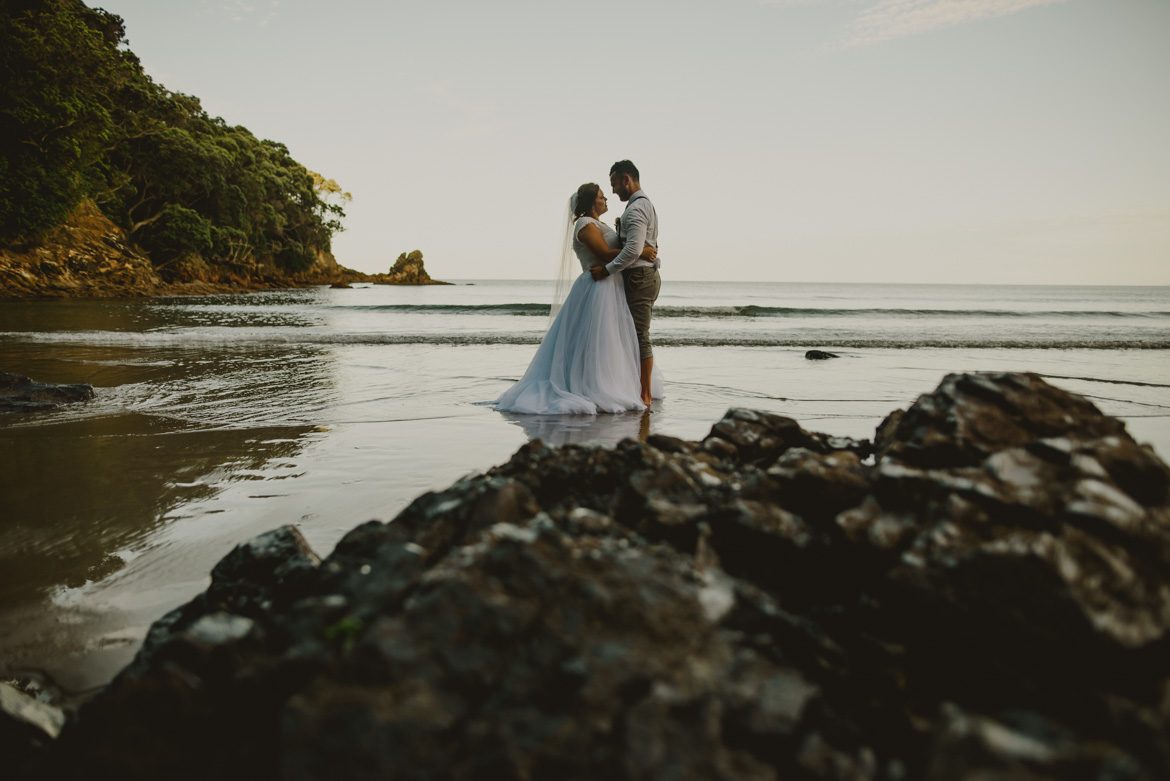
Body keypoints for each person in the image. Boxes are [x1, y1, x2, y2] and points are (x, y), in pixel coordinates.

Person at [494, 182, 660, 415]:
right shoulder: (584, 225)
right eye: (602, 197)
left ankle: (618, 383)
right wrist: (639, 250)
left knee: (611, 341)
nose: (606, 200)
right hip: (597, 286)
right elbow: (602, 253)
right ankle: (592, 386)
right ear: (592, 201)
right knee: (596, 340)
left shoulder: (600, 224)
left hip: (612, 285)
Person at [590, 160, 660, 406]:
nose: (613, 190)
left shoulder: (636, 209)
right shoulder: (640, 205)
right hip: (642, 276)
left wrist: (607, 271)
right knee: (633, 335)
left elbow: (633, 250)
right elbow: (641, 246)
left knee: (640, 336)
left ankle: (645, 395)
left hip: (640, 278)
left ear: (626, 179)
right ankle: (636, 388)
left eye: (614, 184)